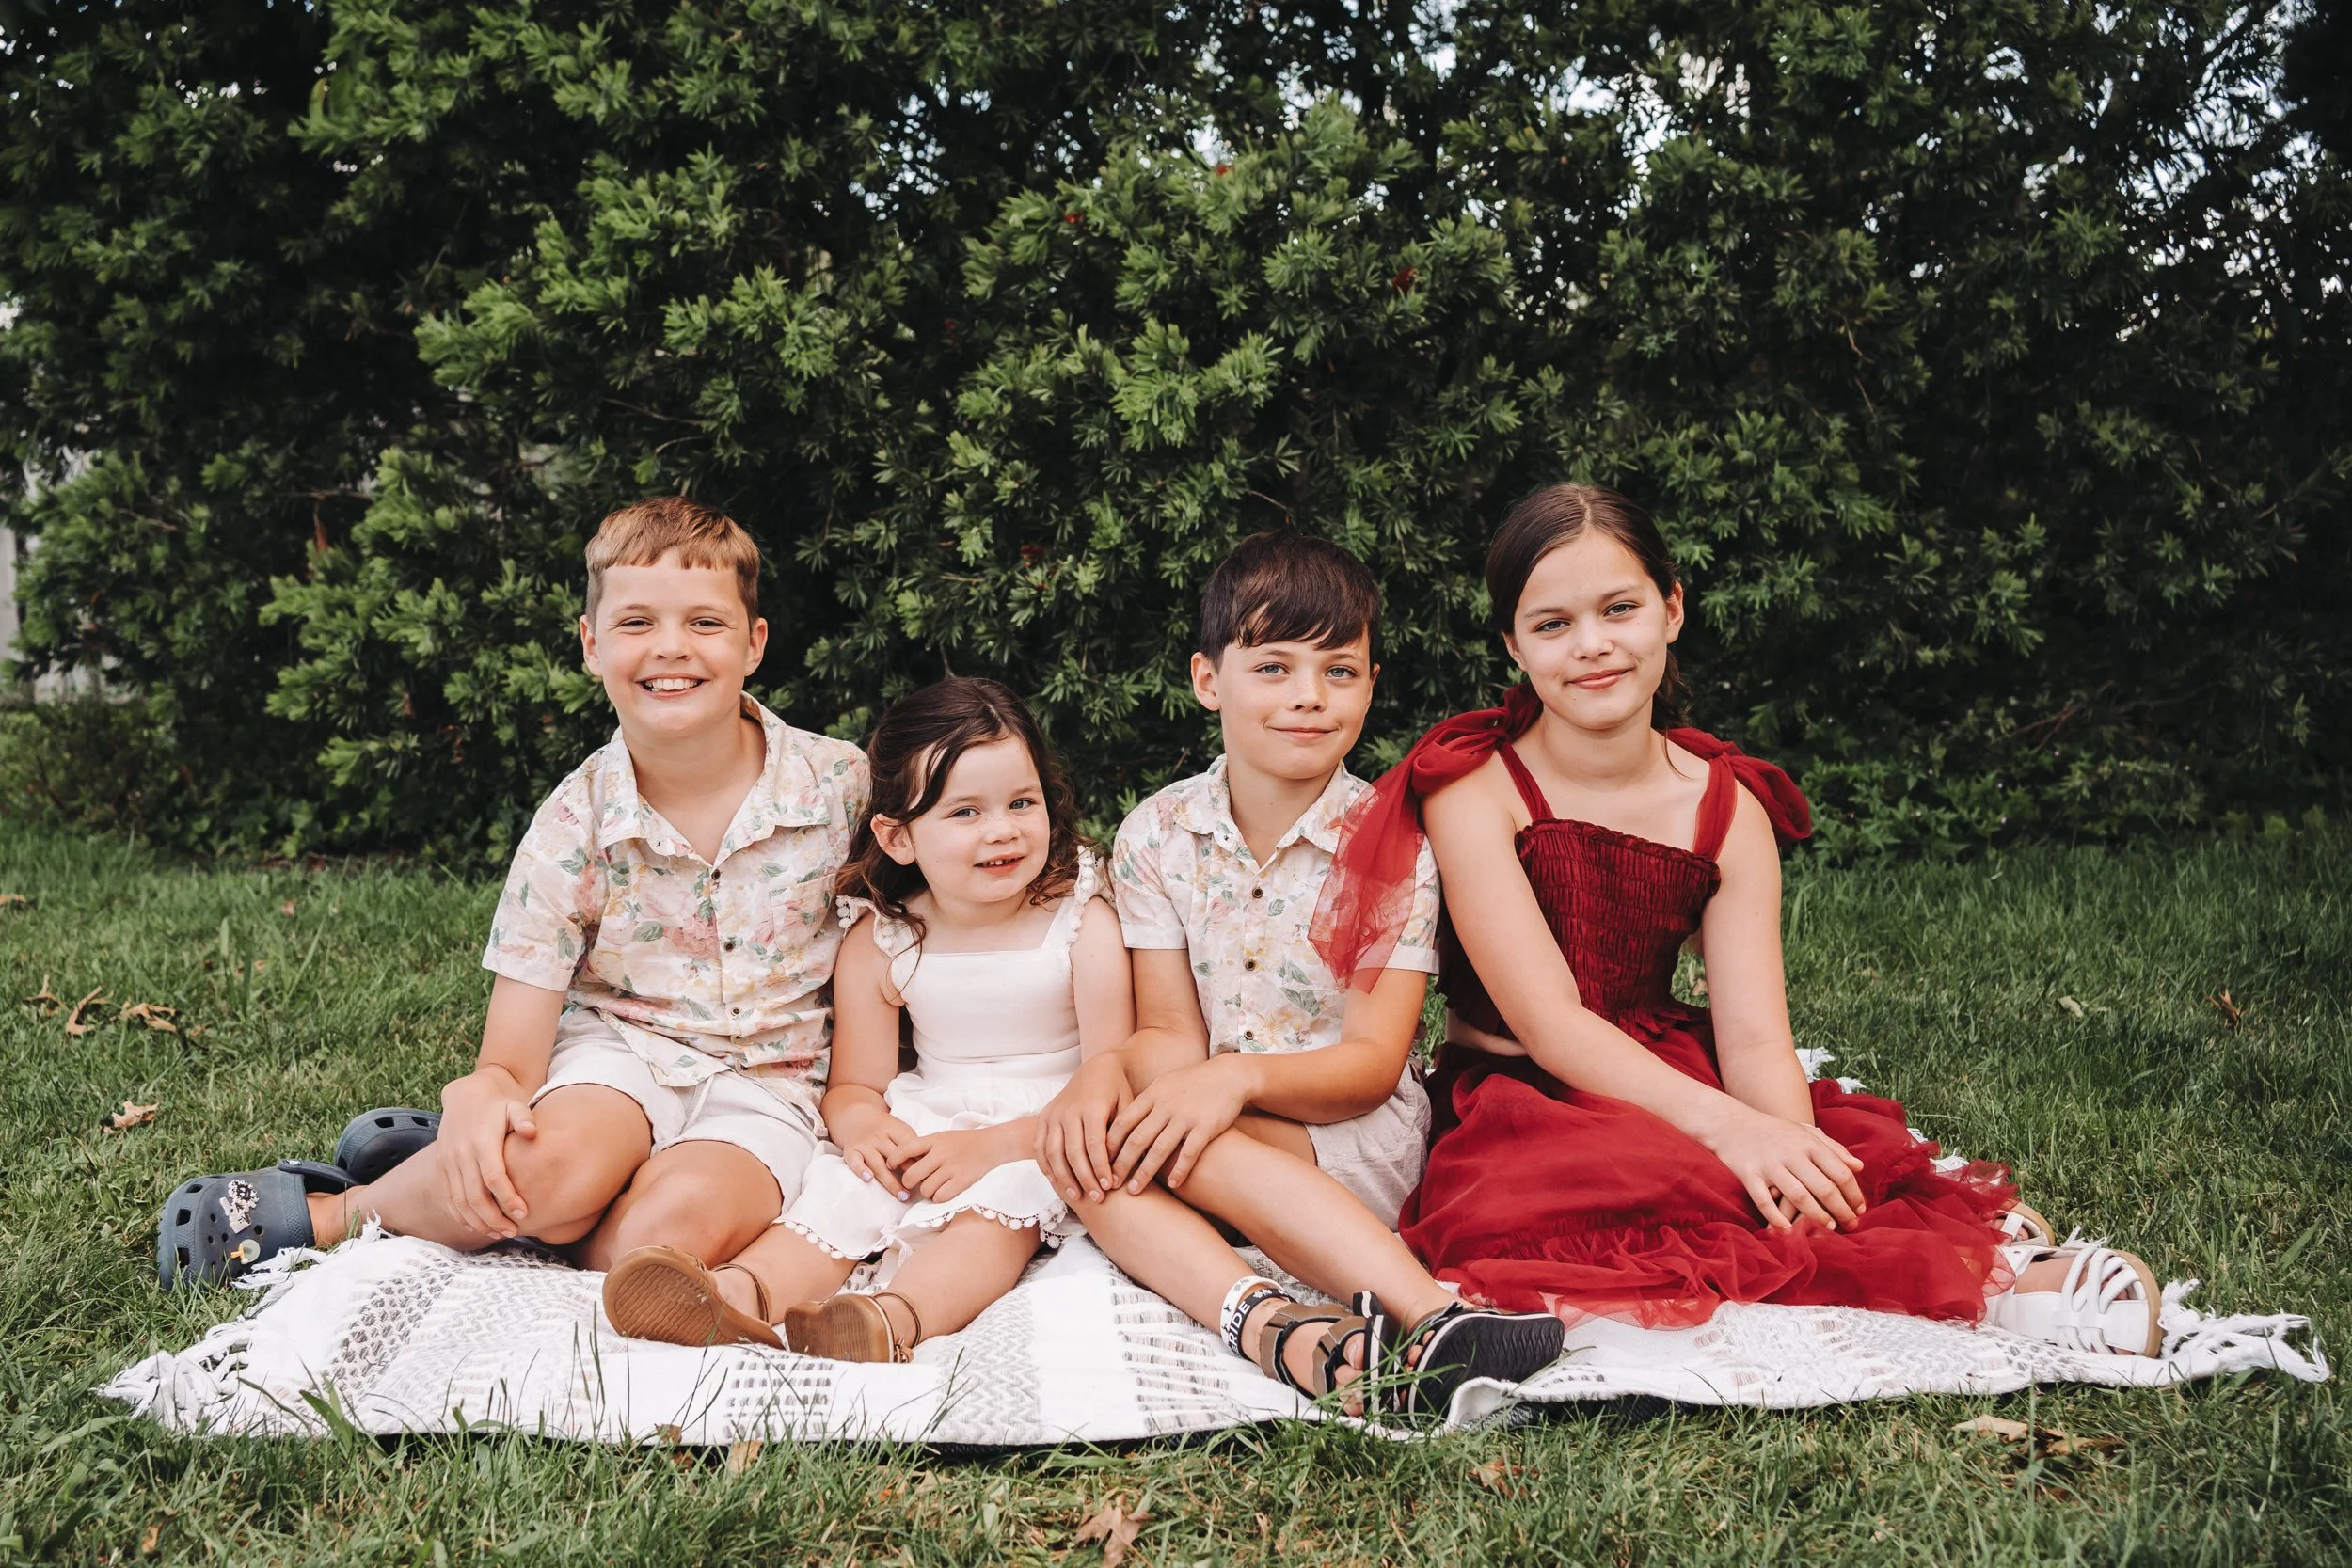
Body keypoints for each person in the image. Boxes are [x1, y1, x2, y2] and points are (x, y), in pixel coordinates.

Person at [1318, 482, 2162, 1357]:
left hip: (1672, 1065)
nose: (1593, 645)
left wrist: (1785, 1150)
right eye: (1553, 624)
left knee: (1789, 1173)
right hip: (1524, 1092)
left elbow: (1756, 1038)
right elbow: (1550, 1020)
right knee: (1634, 1189)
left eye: (1620, 608)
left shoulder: (1726, 806)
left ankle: (1965, 1267)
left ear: (1672, 609)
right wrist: (1733, 1132)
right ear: (1513, 645)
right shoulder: (1476, 786)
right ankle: (1976, 1285)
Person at [158, 498, 866, 1287]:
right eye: (636, 623)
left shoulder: (839, 785)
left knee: (666, 1243)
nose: (672, 648)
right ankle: (340, 1209)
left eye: (705, 622)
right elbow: (510, 1053)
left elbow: (921, 933)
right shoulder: (573, 821)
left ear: (754, 642)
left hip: (772, 1088)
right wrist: (484, 1095)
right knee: (539, 1183)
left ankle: (476, 1181)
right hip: (623, 1056)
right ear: (592, 645)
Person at [1036, 532, 1566, 1418]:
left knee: (1157, 1149)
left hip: (1351, 1134)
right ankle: (1290, 1332)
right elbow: (1168, 1035)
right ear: (1209, 681)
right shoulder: (1159, 835)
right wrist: (1111, 1071)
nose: (1308, 699)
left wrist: (1231, 1080)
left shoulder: (1392, 842)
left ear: (1370, 683)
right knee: (1090, 1165)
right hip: (1213, 1119)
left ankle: (1433, 1315)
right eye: (1273, 668)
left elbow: (1368, 1061)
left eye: (1339, 671)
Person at [598, 678, 1134, 1361]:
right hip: (927, 1119)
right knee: (840, 1195)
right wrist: (866, 1129)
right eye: (964, 812)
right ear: (899, 836)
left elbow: (1111, 1082)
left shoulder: (1080, 921)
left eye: (1021, 803)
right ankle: (739, 1292)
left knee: (991, 1218)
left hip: (1047, 1132)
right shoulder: (886, 940)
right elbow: (853, 1084)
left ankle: (893, 1318)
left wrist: (993, 1147)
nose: (1002, 829)